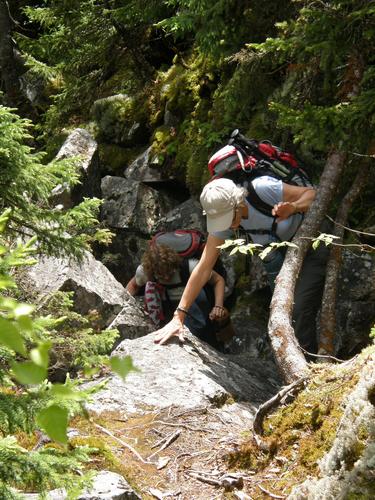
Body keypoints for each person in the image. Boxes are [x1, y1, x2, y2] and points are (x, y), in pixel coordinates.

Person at [154, 176, 328, 354]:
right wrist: (179, 316)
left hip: (311, 242)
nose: (227, 225)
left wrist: (294, 207)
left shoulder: (262, 188)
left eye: (228, 218)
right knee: (282, 314)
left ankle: (309, 365)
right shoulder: (224, 221)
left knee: (297, 310)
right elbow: (204, 267)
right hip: (277, 256)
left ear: (238, 202)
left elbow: (315, 195)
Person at [126, 242, 229, 348]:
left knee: (212, 322)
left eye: (169, 273)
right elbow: (133, 286)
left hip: (194, 304)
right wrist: (124, 304)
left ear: (174, 265)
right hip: (167, 306)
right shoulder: (144, 272)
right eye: (161, 275)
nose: (166, 277)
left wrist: (218, 306)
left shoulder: (190, 266)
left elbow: (218, 280)